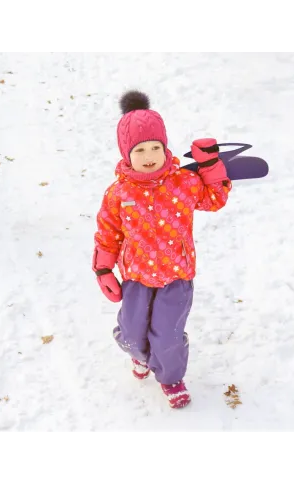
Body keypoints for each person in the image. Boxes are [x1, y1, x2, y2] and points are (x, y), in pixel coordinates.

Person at [92, 90, 232, 409]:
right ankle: (139, 356)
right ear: (127, 154)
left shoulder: (183, 182)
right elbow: (108, 233)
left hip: (176, 277)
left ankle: (170, 378)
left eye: (156, 146)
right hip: (137, 278)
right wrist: (103, 268)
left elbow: (214, 199)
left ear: (165, 147)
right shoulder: (118, 194)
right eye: (141, 149)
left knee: (167, 337)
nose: (150, 154)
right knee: (130, 334)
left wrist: (210, 165)